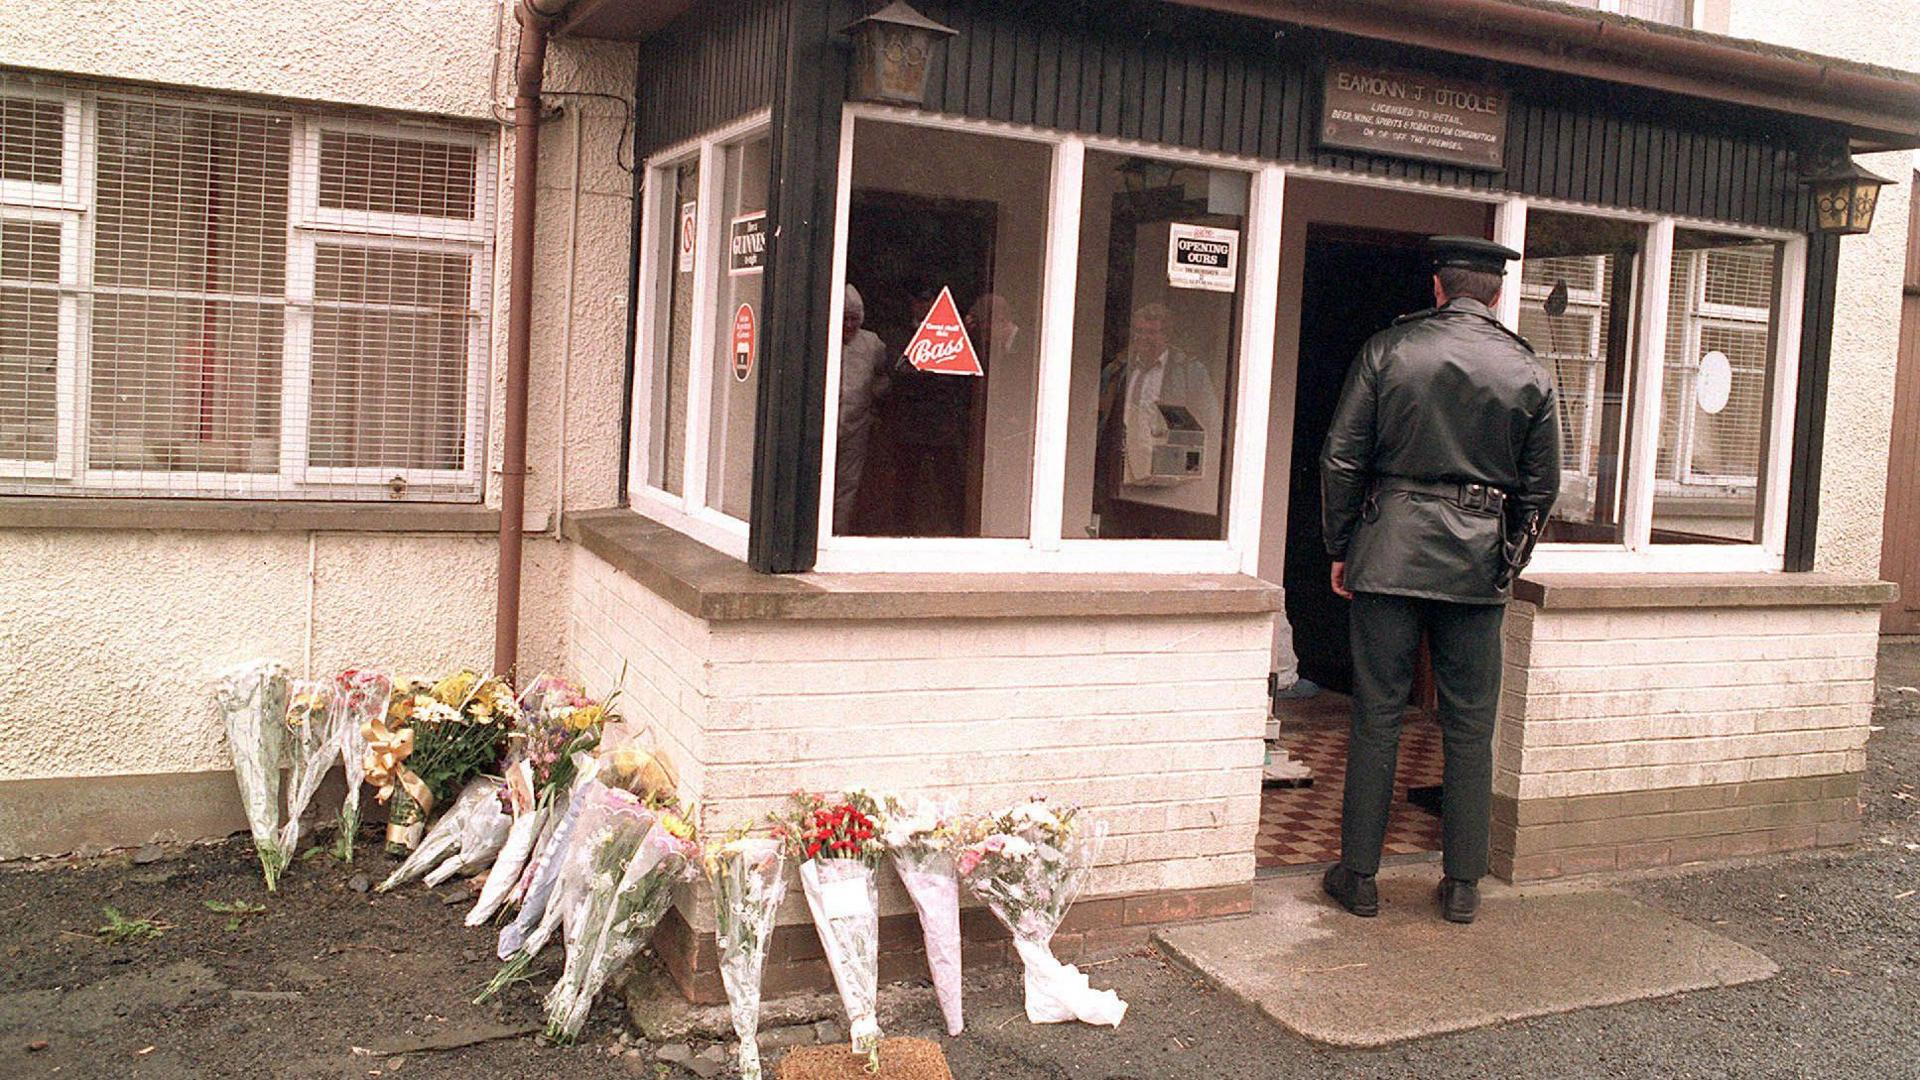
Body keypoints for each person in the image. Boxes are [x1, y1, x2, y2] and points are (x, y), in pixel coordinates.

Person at [1318, 236, 1561, 925]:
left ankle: (1359, 878)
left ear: (1436, 288)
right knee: (1470, 725)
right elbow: (1543, 489)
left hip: (1389, 547)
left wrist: (1343, 545)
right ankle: (1462, 887)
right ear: (1497, 294)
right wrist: (1509, 558)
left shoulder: (1389, 350)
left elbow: (1341, 458)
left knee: (1378, 717)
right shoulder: (1526, 367)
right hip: (1477, 559)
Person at [834, 284, 890, 533]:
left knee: (848, 485)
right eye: (843, 318)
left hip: (856, 426)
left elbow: (884, 377)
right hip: (825, 424)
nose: (848, 325)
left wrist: (870, 397)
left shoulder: (872, 344)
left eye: (853, 319)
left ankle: (838, 533)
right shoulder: (824, 337)